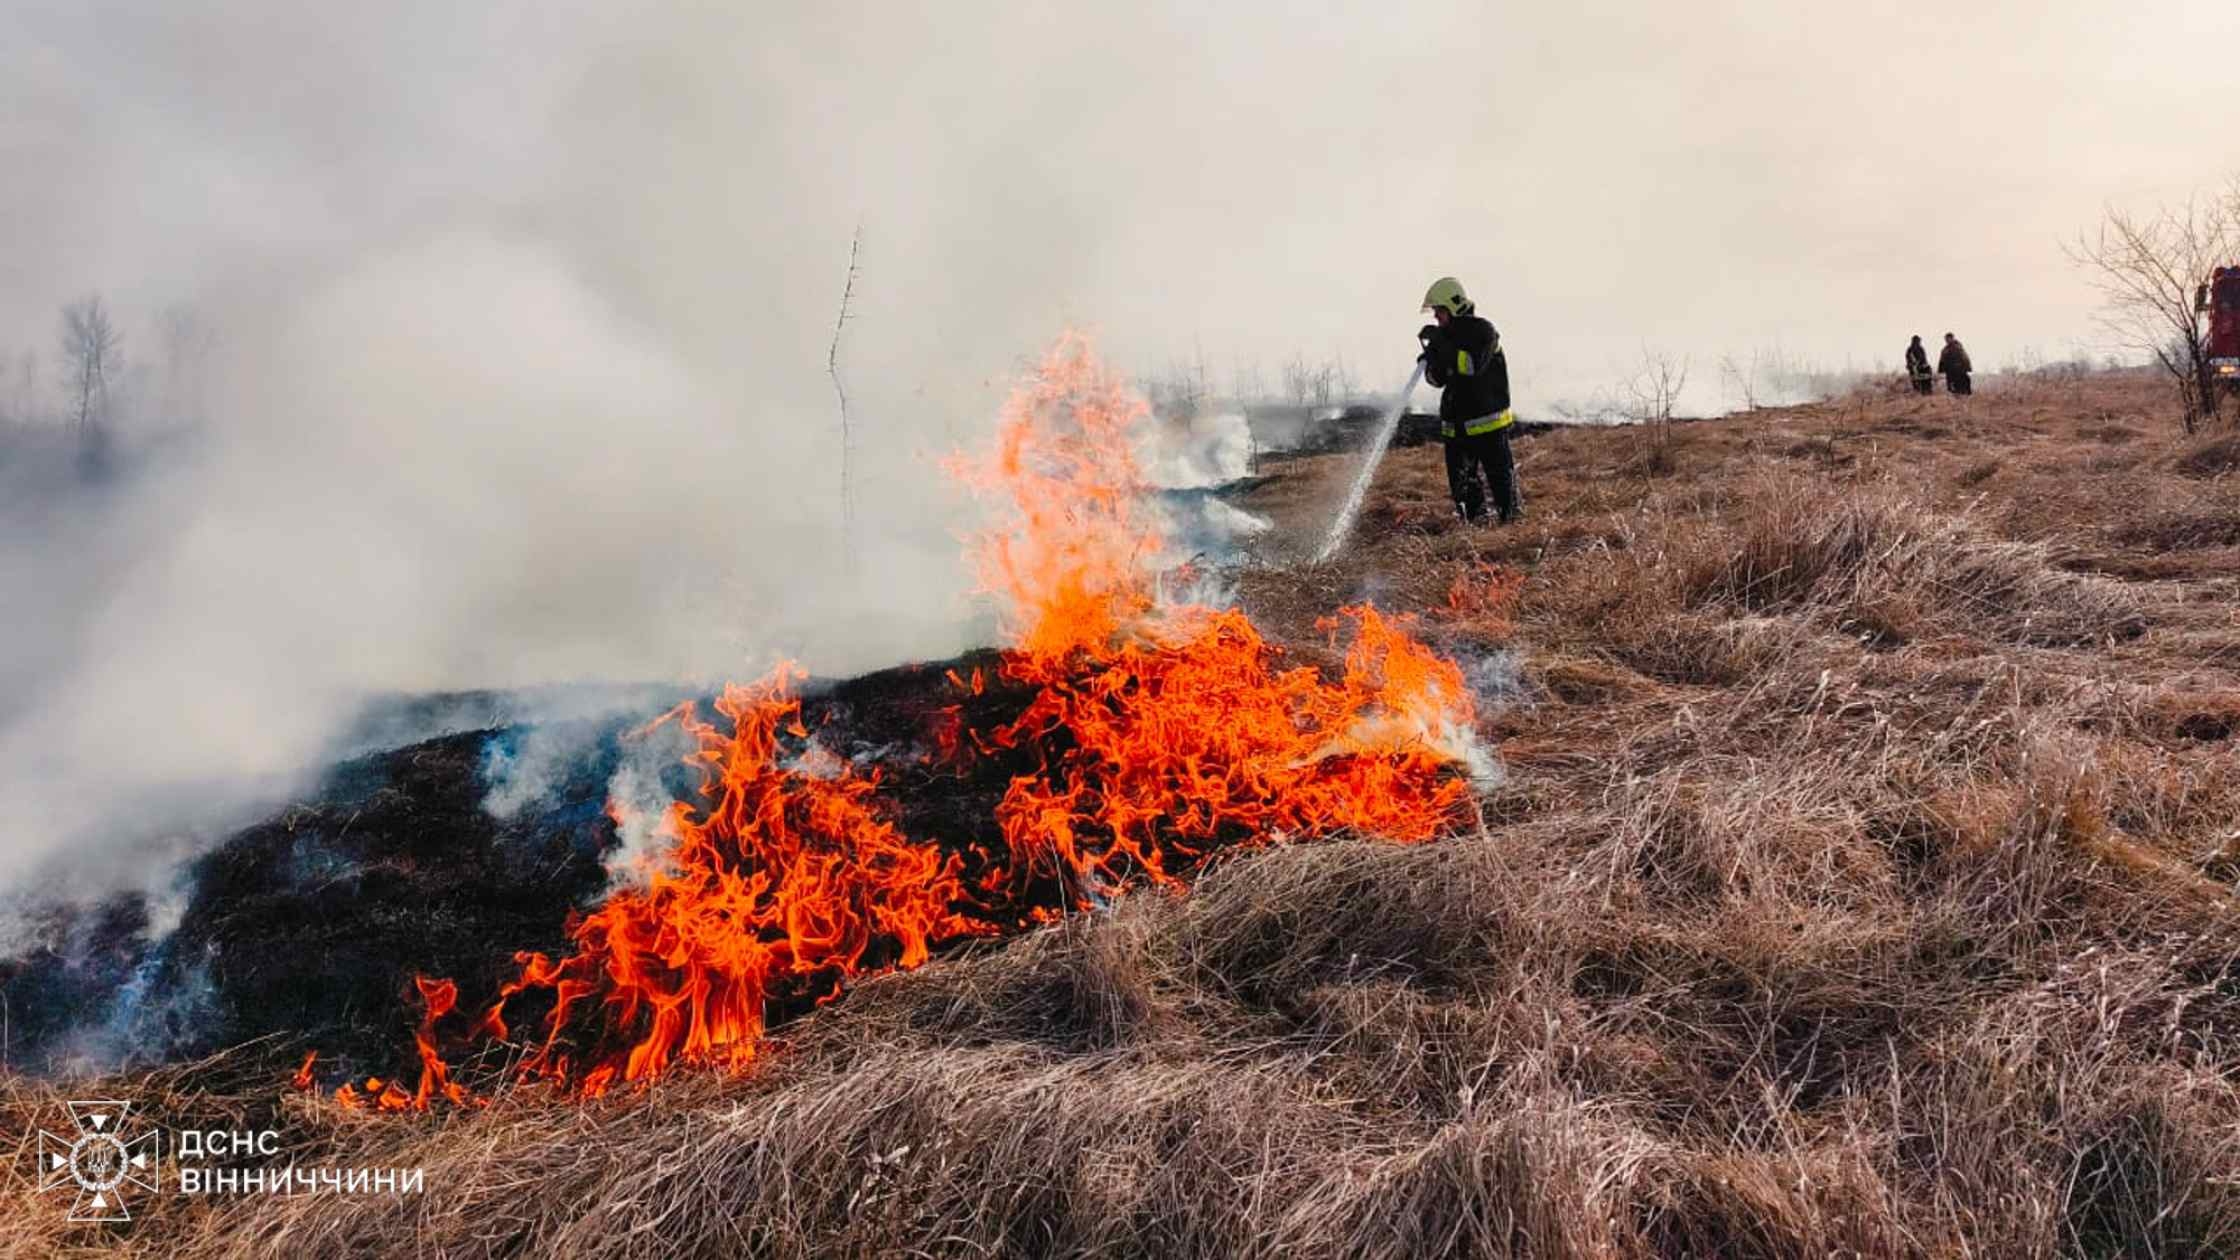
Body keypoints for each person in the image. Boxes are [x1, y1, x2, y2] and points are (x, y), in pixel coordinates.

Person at [1417, 276, 1520, 524]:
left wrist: (1443, 347)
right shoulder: (1447, 339)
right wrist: (1432, 359)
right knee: (1463, 491)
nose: (1436, 318)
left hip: (1488, 426)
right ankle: (1475, 532)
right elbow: (1437, 380)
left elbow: (1472, 365)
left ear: (1454, 306)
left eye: (1439, 311)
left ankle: (1511, 530)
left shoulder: (1483, 332)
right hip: (1456, 429)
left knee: (1501, 485)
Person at [1937, 332, 1973, 396]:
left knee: (1962, 385)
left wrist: (1966, 367)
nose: (1947, 340)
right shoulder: (1945, 349)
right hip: (1950, 371)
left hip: (1959, 370)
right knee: (1952, 387)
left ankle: (1962, 397)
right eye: (1946, 339)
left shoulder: (1958, 347)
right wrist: (1941, 369)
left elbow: (1964, 358)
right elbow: (1942, 360)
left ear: (1952, 338)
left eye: (1948, 339)